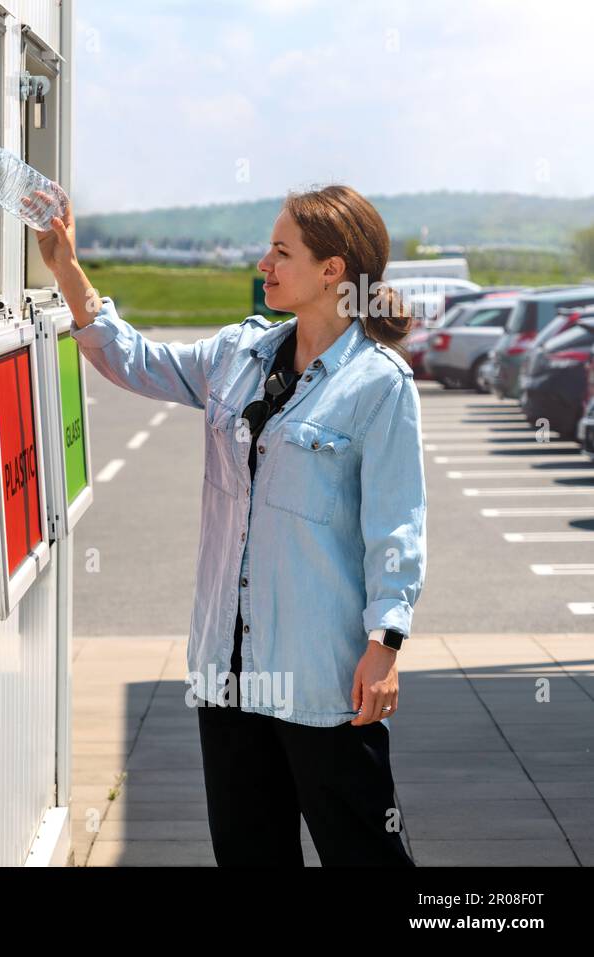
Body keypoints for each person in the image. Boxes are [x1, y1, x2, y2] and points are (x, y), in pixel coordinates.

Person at [30, 183, 425, 867]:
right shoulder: (236, 354)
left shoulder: (379, 383)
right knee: (250, 856)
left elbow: (397, 523)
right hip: (227, 671)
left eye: (282, 251)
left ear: (333, 270)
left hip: (320, 679)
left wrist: (384, 641)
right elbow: (136, 361)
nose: (264, 263)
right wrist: (66, 267)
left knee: (365, 855)